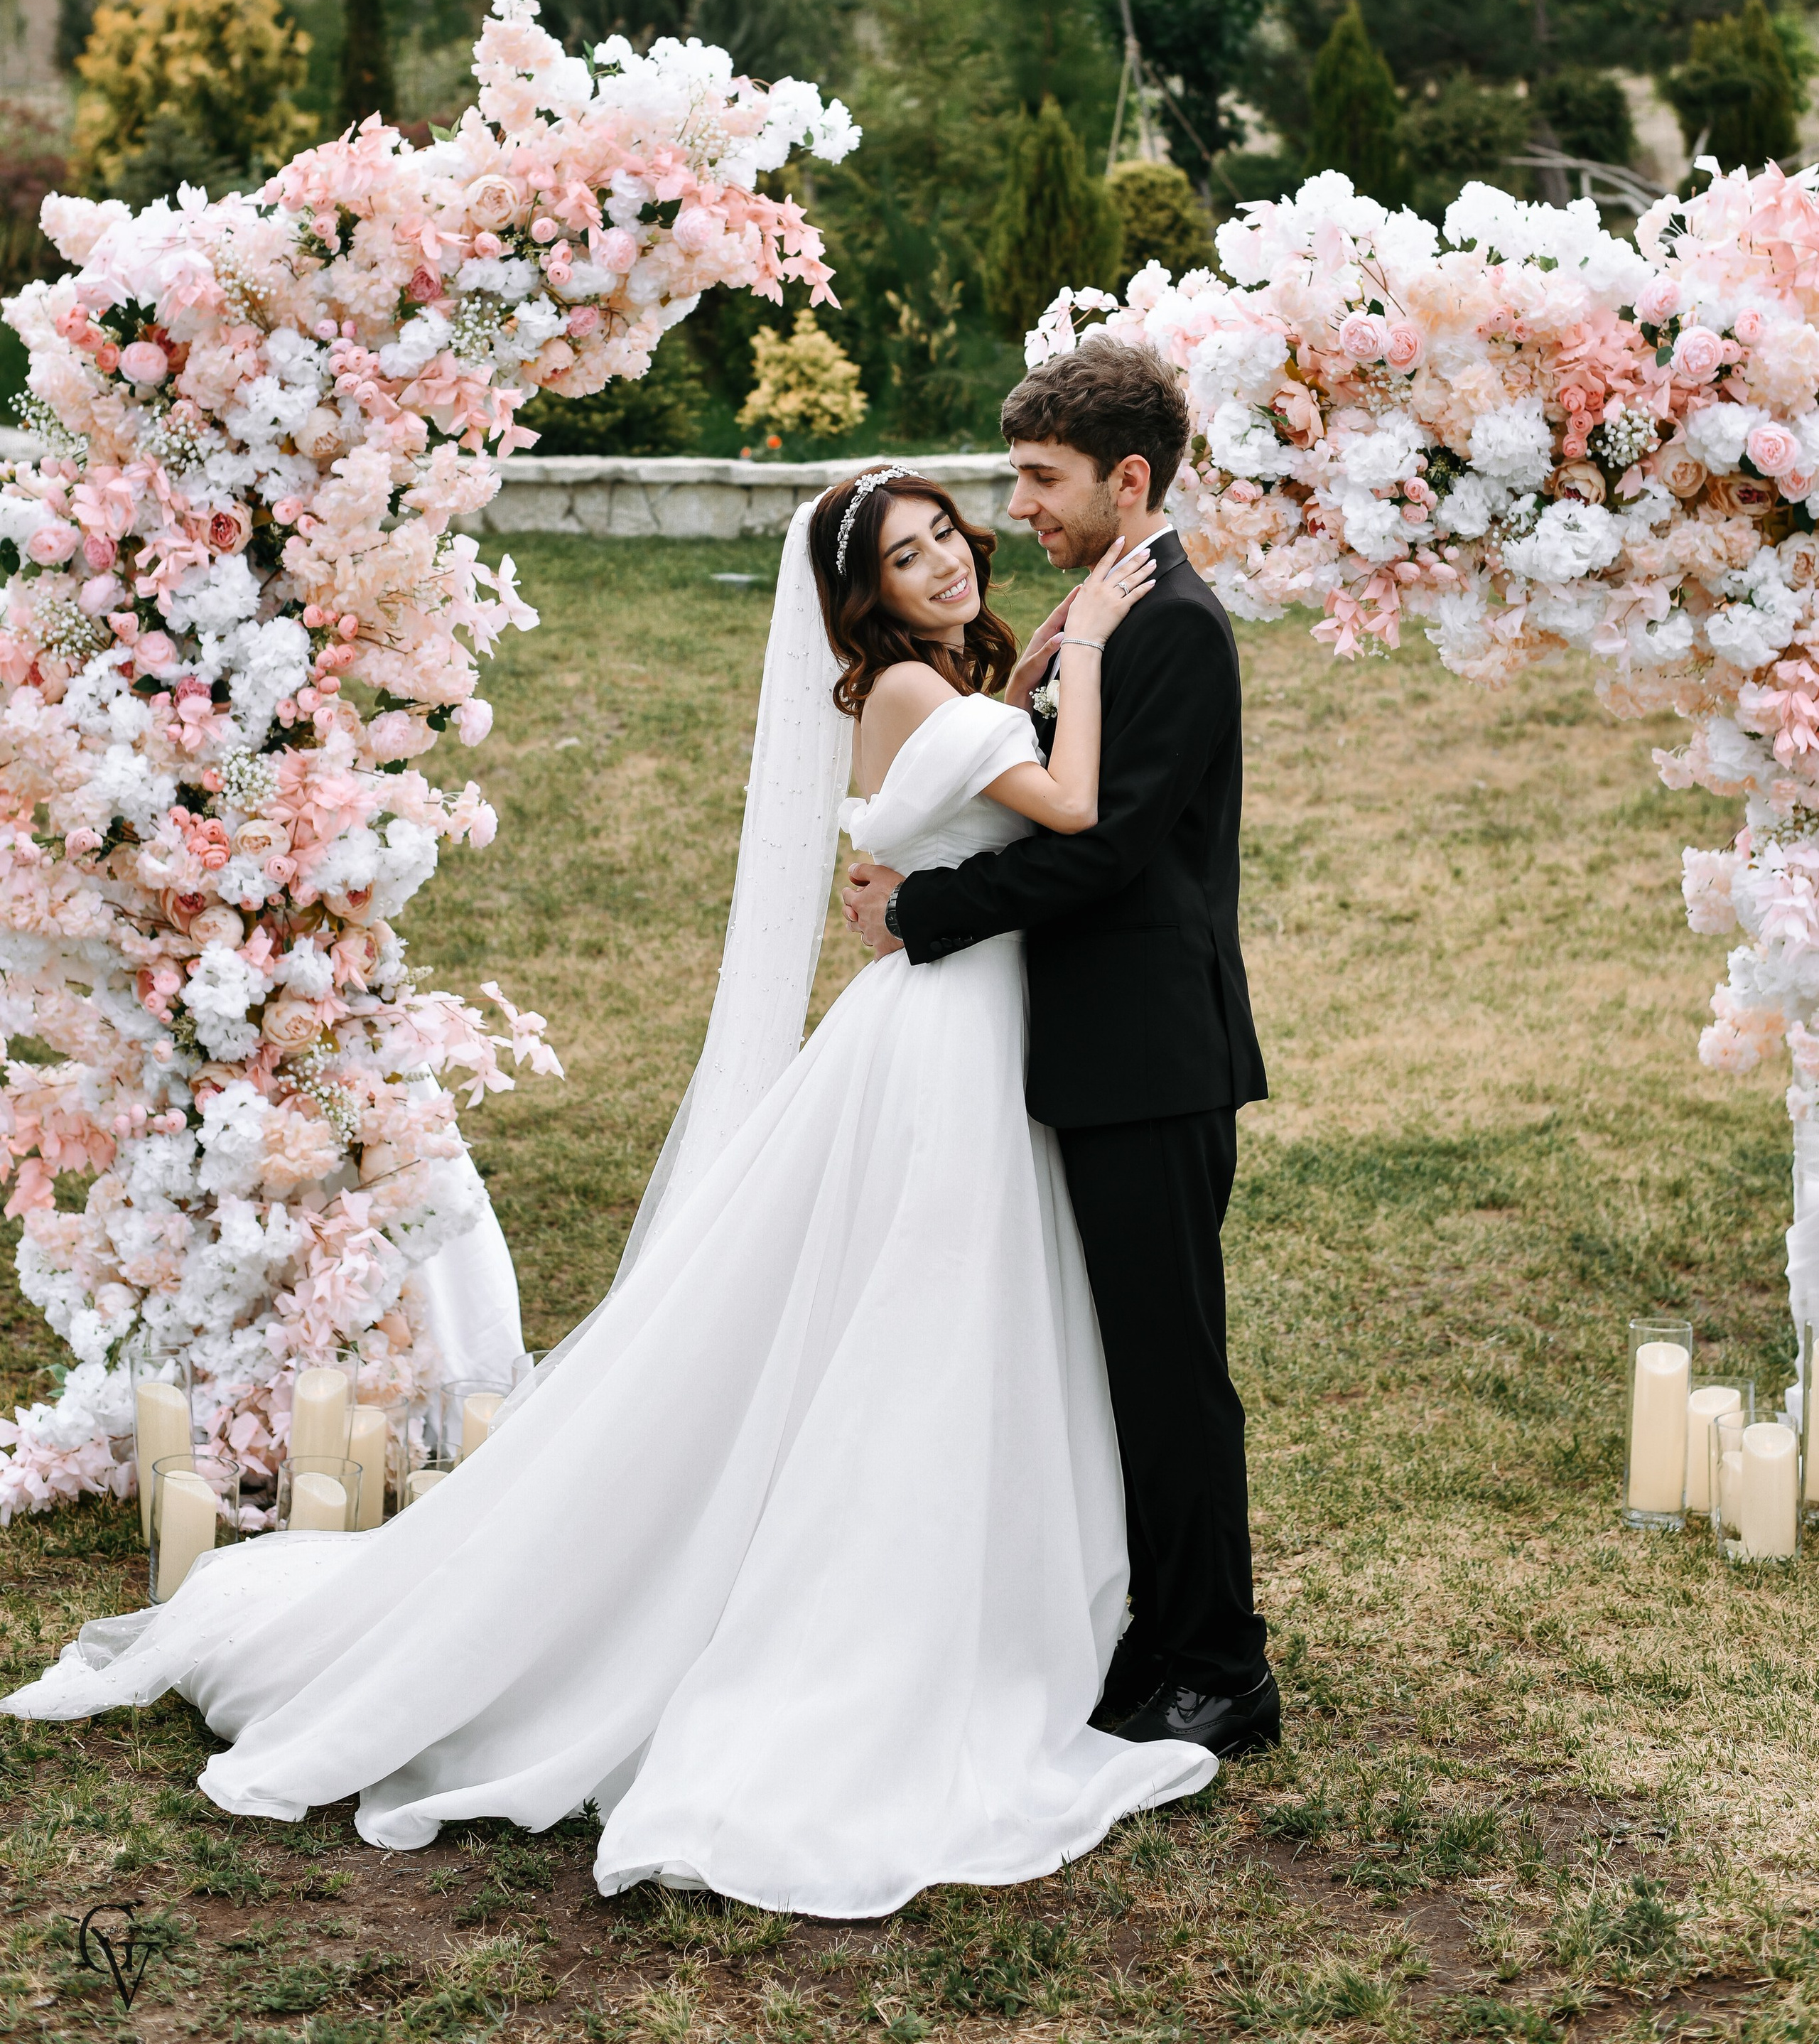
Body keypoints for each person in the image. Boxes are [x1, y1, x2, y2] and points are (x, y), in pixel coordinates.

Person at [1, 472, 1216, 1920]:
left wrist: (1024, 675)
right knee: (922, 1316)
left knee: (984, 1312)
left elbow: (983, 797)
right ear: (862, 598)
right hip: (949, 1039)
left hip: (980, 1016)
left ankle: (1023, 1594)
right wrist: (1078, 657)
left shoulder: (952, 679)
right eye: (906, 556)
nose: (945, 559)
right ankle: (896, 1617)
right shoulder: (904, 691)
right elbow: (1070, 801)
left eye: (947, 533)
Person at [845, 339, 1277, 1760]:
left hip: (1149, 1051)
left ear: (1125, 478)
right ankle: (1155, 1634)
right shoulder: (1107, 612)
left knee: (1170, 1371)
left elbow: (1110, 853)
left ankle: (1221, 1667)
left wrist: (928, 910)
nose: (1016, 506)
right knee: (1126, 1370)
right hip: (1092, 1048)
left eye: (1041, 479)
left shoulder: (1173, 628)